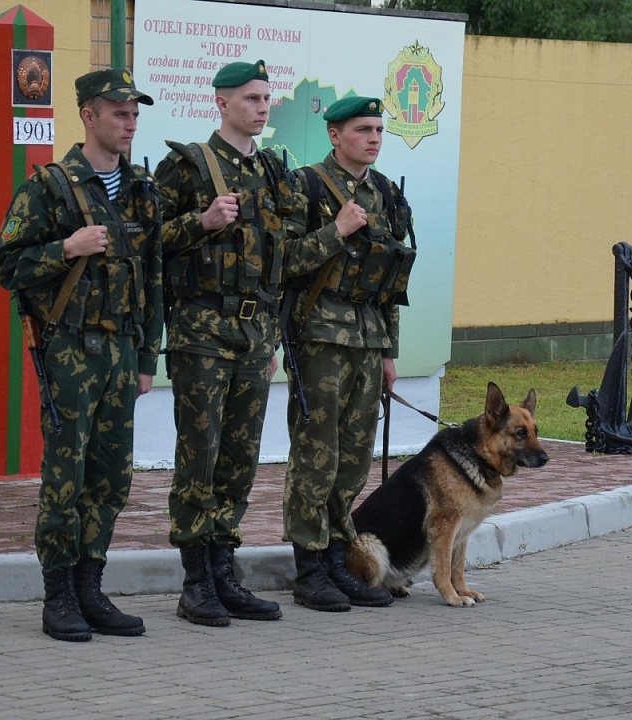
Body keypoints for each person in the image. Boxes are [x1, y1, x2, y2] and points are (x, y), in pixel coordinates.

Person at [153, 60, 345, 627]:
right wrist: (201, 222)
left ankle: (223, 571)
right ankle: (195, 583)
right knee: (201, 453)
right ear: (221, 102)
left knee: (239, 459)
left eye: (266, 97)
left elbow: (287, 257)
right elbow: (146, 244)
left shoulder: (273, 173)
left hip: (254, 331)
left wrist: (334, 236)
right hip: (202, 333)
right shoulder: (185, 167)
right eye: (251, 98)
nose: (262, 107)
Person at [0, 68, 162, 642]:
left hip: (120, 350)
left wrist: (146, 357)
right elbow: (4, 265)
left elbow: (153, 279)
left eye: (134, 113)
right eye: (119, 113)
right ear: (89, 115)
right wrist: (66, 247)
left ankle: (92, 586)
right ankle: (58, 594)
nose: (129, 122)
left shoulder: (142, 189)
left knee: (112, 477)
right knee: (67, 473)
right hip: (70, 349)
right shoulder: (52, 187)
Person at [281, 96, 414, 612]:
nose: (375, 137)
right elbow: (286, 261)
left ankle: (338, 556)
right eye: (363, 129)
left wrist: (388, 350)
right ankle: (310, 566)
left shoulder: (384, 193)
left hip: (366, 340)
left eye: (380, 129)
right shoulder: (307, 186)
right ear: (336, 135)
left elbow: (390, 280)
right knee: (317, 456)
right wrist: (335, 231)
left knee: (354, 460)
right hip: (319, 339)